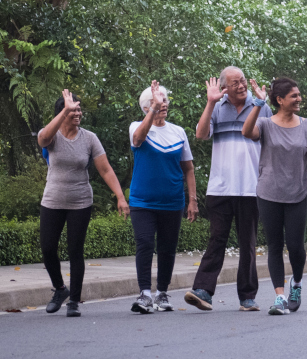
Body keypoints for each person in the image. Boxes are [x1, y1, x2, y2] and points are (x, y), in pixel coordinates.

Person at [242, 77, 307, 315]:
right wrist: (257, 103)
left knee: (295, 247)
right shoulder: (265, 124)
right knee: (274, 246)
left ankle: (296, 283)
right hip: (268, 194)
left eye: (298, 94)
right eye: (294, 96)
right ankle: (280, 297)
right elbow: (246, 132)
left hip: (297, 195)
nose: (299, 99)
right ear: (280, 100)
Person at [184, 67, 272, 312]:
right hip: (220, 187)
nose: (241, 85)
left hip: (251, 188)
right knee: (216, 239)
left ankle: (247, 297)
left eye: (243, 80)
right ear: (224, 87)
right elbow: (201, 134)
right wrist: (210, 103)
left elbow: (272, 140)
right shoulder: (218, 107)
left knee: (248, 244)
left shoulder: (261, 106)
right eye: (235, 83)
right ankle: (202, 291)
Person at [38, 89, 130, 317]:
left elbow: (106, 169)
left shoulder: (89, 138)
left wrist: (120, 196)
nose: (78, 112)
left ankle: (74, 302)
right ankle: (60, 290)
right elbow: (42, 139)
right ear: (62, 112)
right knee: (48, 248)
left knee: (75, 250)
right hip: (52, 200)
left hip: (80, 201)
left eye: (79, 109)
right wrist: (64, 111)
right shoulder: (53, 136)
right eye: (73, 109)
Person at [129, 81, 198, 314]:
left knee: (168, 248)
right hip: (143, 202)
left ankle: (162, 294)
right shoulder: (136, 127)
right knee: (145, 244)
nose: (163, 104)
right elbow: (138, 140)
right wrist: (153, 111)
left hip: (172, 201)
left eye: (165, 100)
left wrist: (192, 200)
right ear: (146, 107)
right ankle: (145, 295)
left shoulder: (178, 132)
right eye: (158, 102)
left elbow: (188, 168)